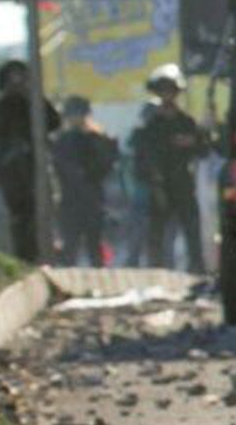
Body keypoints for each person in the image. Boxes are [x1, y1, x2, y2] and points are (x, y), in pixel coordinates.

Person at [132, 65, 211, 273]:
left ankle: (197, 269)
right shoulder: (150, 125)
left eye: (170, 91)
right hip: (159, 184)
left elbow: (203, 150)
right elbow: (141, 157)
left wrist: (192, 142)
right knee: (156, 233)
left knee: (191, 230)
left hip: (183, 183)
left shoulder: (186, 122)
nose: (167, 96)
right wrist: (152, 179)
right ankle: (157, 272)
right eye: (162, 91)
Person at [0, 61, 61, 263]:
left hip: (37, 166)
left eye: (21, 77)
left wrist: (32, 97)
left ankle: (43, 256)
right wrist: (12, 102)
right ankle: (24, 259)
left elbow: (54, 122)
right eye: (13, 78)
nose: (17, 83)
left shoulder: (34, 103)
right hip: (11, 170)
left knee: (42, 211)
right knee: (20, 216)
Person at [51, 96, 119, 267]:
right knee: (70, 246)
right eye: (73, 114)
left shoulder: (97, 138)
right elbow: (60, 167)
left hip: (92, 198)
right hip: (70, 199)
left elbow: (106, 165)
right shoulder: (62, 140)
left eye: (79, 114)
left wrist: (88, 174)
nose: (76, 118)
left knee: (94, 244)